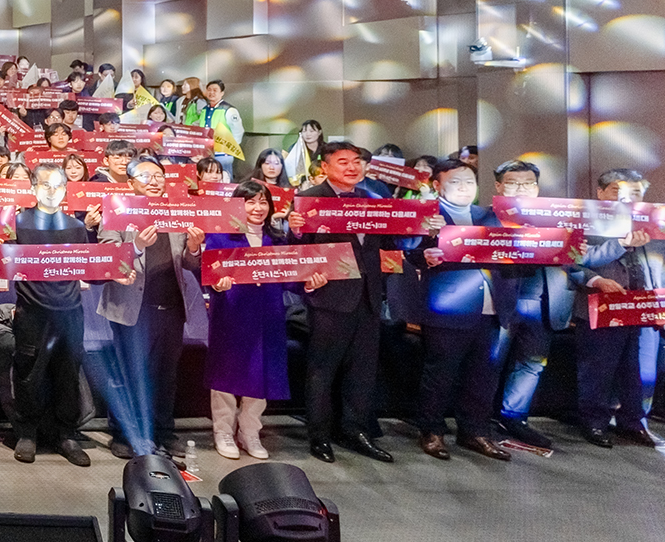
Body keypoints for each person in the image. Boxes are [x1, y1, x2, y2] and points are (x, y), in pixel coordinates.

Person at [194, 181, 316, 460]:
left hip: (268, 315)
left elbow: (290, 280)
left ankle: (250, 431)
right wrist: (218, 284)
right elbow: (209, 275)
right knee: (226, 373)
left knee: (261, 374)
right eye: (250, 202)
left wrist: (309, 283)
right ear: (237, 205)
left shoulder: (278, 239)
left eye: (263, 202)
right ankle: (223, 431)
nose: (258, 208)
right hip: (232, 314)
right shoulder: (221, 237)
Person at [291, 139, 395, 465]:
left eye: (356, 161)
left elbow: (388, 244)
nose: (352, 167)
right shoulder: (309, 199)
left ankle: (355, 430)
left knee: (362, 371)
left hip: (369, 297)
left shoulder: (372, 200)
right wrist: (295, 232)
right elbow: (295, 250)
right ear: (324, 166)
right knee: (322, 370)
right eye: (343, 161)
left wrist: (426, 231)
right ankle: (320, 436)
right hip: (329, 298)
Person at [96, 158, 199, 457]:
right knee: (130, 374)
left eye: (159, 176)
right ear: (130, 183)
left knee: (166, 376)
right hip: (132, 309)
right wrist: (137, 246)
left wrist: (194, 248)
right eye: (145, 176)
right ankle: (124, 435)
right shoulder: (116, 211)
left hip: (171, 306)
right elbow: (108, 256)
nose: (154, 181)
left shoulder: (176, 212)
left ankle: (163, 432)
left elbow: (190, 264)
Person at [414, 156, 512, 463]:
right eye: (455, 182)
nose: (464, 187)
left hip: (492, 307)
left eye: (469, 182)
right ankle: (432, 431)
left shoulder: (491, 216)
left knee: (483, 374)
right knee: (440, 373)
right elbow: (407, 250)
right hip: (448, 308)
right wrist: (424, 254)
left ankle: (475, 431)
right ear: (437, 185)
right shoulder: (428, 216)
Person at [0, 166, 96, 466]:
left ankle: (66, 434)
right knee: (29, 373)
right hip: (32, 311)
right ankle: (27, 433)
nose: (52, 191)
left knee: (68, 373)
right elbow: (0, 260)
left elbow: (90, 268)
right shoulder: (17, 224)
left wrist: (117, 272)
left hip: (70, 312)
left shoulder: (76, 227)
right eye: (45, 185)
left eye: (58, 185)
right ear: (33, 187)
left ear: (66, 189)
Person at [577, 169, 665, 449]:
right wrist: (597, 279)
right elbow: (574, 261)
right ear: (600, 193)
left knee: (640, 370)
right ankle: (594, 422)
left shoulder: (657, 223)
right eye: (618, 191)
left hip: (645, 307)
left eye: (636, 192)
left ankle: (634, 422)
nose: (627, 198)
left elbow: (662, 266)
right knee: (599, 369)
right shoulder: (583, 220)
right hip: (602, 304)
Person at [489, 159, 571, 451]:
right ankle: (478, 419)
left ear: (537, 188)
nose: (521, 189)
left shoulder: (556, 219)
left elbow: (577, 262)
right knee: (489, 364)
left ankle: (514, 418)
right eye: (513, 183)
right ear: (499, 187)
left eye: (528, 183)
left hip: (543, 304)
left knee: (532, 364)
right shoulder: (485, 218)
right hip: (499, 303)